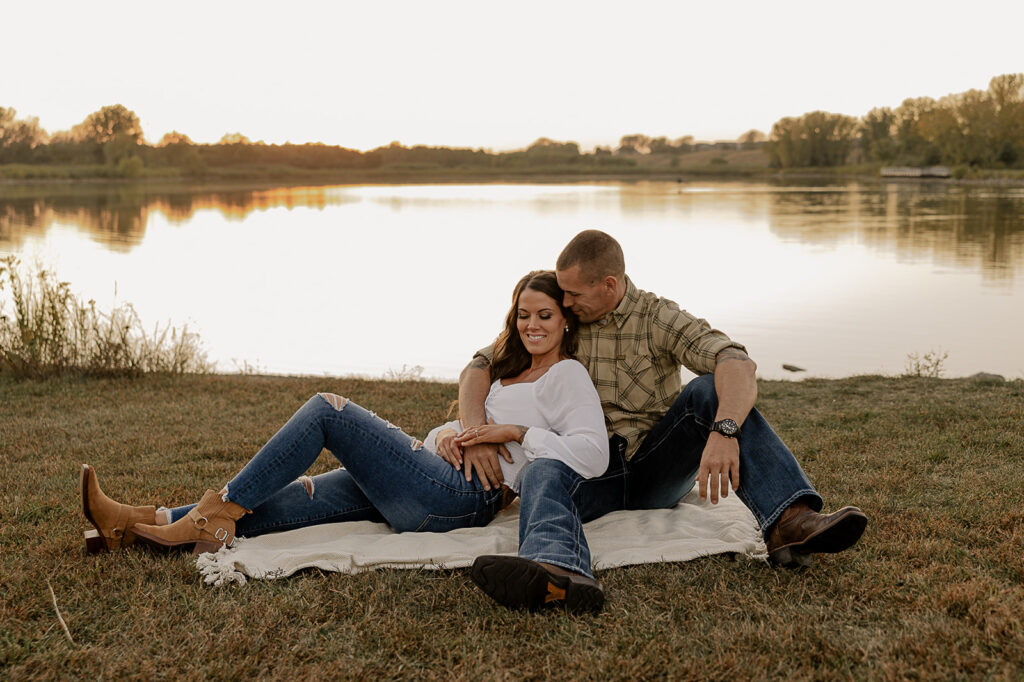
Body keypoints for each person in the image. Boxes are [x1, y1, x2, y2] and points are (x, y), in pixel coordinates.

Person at [81, 271, 609, 594]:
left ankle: (211, 516)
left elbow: (593, 454)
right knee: (297, 500)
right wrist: (449, 434)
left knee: (327, 410)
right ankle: (137, 523)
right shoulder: (511, 368)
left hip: (460, 498)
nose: (532, 325)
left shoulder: (568, 376)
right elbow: (475, 426)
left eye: (544, 315)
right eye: (523, 315)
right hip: (434, 475)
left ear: (566, 319)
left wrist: (516, 432)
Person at [460, 230, 868, 614]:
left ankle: (790, 521)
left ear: (609, 284)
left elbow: (736, 361)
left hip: (654, 465)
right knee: (543, 468)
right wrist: (473, 434)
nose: (563, 302)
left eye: (571, 293)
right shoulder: (560, 321)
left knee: (706, 390)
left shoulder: (657, 317)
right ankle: (561, 574)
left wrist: (725, 430)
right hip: (588, 469)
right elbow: (479, 365)